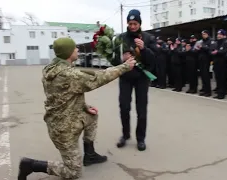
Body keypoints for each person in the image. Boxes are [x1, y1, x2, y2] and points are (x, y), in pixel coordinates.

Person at [18, 37, 136, 180]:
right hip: (63, 129)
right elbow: (99, 78)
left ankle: (90, 155)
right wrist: (124, 67)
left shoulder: (52, 68)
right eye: (74, 48)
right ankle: (31, 165)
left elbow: (65, 96)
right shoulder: (68, 74)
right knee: (73, 172)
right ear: (68, 53)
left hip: (67, 118)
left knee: (92, 116)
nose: (77, 49)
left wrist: (84, 107)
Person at [110, 9, 156, 151]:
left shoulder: (148, 38)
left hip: (142, 78)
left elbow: (154, 59)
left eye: (135, 23)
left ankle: (141, 139)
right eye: (130, 23)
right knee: (124, 107)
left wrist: (144, 49)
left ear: (139, 23)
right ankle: (125, 135)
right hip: (126, 77)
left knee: (141, 109)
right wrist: (121, 59)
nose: (133, 26)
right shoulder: (120, 38)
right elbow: (112, 59)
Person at [211, 29, 227, 99]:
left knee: (222, 79)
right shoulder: (216, 42)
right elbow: (211, 50)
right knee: (217, 78)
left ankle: (222, 93)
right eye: (218, 34)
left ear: (224, 35)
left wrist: (218, 52)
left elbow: (226, 51)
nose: (218, 36)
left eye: (220, 34)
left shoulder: (226, 42)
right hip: (216, 62)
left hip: (223, 63)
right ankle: (219, 92)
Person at [195, 30, 213, 97]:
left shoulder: (210, 40)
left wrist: (202, 47)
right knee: (202, 76)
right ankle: (204, 90)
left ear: (208, 34)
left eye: (204, 34)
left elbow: (210, 49)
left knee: (206, 76)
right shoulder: (201, 41)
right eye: (202, 34)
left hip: (206, 60)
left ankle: (208, 91)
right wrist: (197, 48)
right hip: (201, 59)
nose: (203, 35)